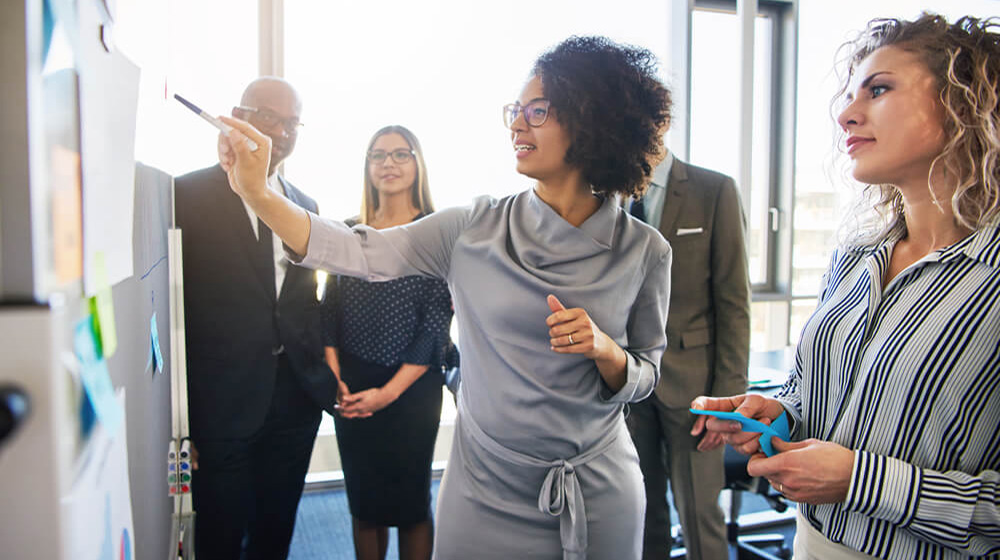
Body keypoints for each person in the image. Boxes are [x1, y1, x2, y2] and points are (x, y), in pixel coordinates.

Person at [218, 36, 673, 560]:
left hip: (597, 490)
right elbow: (351, 250)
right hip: (485, 488)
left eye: (538, 111)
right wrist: (257, 192)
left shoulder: (645, 251)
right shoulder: (471, 228)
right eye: (516, 111)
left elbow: (645, 376)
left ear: (593, 121)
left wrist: (606, 351)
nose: (517, 124)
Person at [693, 13, 1000, 559]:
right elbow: (821, 395)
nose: (846, 114)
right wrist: (782, 413)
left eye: (878, 90)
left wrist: (862, 480)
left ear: (965, 102)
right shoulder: (855, 258)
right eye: (851, 94)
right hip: (810, 542)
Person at [175, 76, 337, 560]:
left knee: (275, 529)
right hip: (221, 405)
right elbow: (176, 313)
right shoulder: (186, 195)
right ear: (238, 116)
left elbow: (303, 301)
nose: (282, 131)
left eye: (292, 122)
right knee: (220, 536)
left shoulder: (304, 206)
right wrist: (184, 420)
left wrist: (323, 376)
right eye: (269, 117)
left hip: (294, 399)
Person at [321, 125, 454, 560]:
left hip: (412, 387)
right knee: (364, 503)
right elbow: (330, 309)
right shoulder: (348, 230)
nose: (388, 164)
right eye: (378, 155)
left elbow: (437, 322)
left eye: (400, 154)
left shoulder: (435, 233)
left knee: (412, 505)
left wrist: (387, 394)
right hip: (353, 385)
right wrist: (335, 378)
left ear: (418, 164)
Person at [625, 148, 750, 560]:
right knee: (641, 514)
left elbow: (733, 303)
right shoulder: (606, 190)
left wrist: (728, 404)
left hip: (695, 387)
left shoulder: (713, 190)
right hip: (626, 382)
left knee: (699, 515)